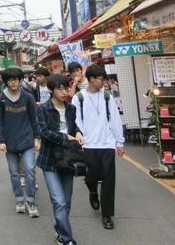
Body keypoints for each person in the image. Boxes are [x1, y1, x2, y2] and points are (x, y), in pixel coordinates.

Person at [72, 64, 125, 230]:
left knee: (109, 179)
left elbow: (115, 119)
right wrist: (80, 137)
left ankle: (107, 214)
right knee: (91, 176)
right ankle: (93, 191)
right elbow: (76, 120)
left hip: (107, 143)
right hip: (88, 144)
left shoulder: (107, 97)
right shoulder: (79, 98)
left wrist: (119, 142)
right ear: (92, 79)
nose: (104, 82)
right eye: (101, 79)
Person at [37, 74, 85, 245]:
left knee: (66, 201)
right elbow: (44, 132)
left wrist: (78, 132)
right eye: (60, 88)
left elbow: (73, 126)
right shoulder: (43, 109)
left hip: (67, 159)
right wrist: (66, 138)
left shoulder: (71, 108)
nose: (64, 92)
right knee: (58, 200)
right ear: (51, 90)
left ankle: (60, 229)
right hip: (49, 160)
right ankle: (66, 239)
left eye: (66, 88)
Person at [0, 67, 41, 217]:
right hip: (9, 142)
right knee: (14, 173)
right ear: (6, 82)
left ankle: (31, 201)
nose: (13, 82)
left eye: (16, 79)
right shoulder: (0, 99)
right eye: (10, 80)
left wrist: (37, 137)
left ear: (21, 81)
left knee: (30, 171)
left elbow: (34, 119)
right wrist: (0, 140)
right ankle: (20, 199)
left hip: (27, 140)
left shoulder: (28, 97)